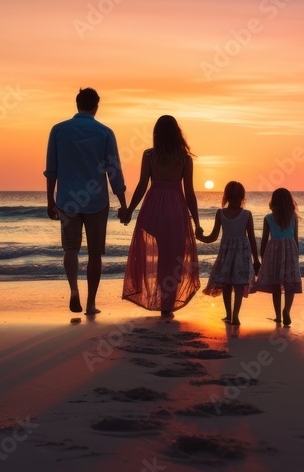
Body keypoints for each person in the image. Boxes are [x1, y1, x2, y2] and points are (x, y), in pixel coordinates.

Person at [44, 88, 127, 315]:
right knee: (94, 253)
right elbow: (114, 171)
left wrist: (50, 200)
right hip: (97, 201)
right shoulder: (105, 133)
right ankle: (90, 303)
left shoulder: (59, 130)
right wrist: (123, 202)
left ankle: (73, 290)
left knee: (70, 249)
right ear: (96, 106)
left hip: (67, 199)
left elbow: (52, 170)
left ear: (77, 104)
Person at [119, 115, 201, 319]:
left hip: (154, 206)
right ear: (177, 134)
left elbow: (141, 185)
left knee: (149, 252)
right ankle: (167, 304)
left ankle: (153, 296)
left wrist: (129, 210)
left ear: (156, 133)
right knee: (173, 259)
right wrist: (197, 221)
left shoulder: (149, 155)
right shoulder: (184, 158)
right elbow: (189, 192)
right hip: (175, 208)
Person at [197, 181, 260, 326]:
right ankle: (236, 315)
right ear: (242, 196)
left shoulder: (221, 213)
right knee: (239, 284)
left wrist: (200, 237)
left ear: (226, 195)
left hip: (226, 253)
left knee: (225, 283)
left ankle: (228, 314)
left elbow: (213, 237)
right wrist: (256, 259)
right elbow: (251, 238)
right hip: (243, 253)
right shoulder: (246, 214)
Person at [254, 188, 302, 326]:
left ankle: (278, 316)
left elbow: (264, 239)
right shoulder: (293, 216)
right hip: (290, 250)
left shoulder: (268, 218)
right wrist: (296, 254)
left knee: (276, 283)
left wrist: (263, 257)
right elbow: (295, 237)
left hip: (274, 251)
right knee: (290, 283)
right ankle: (286, 310)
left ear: (273, 201)